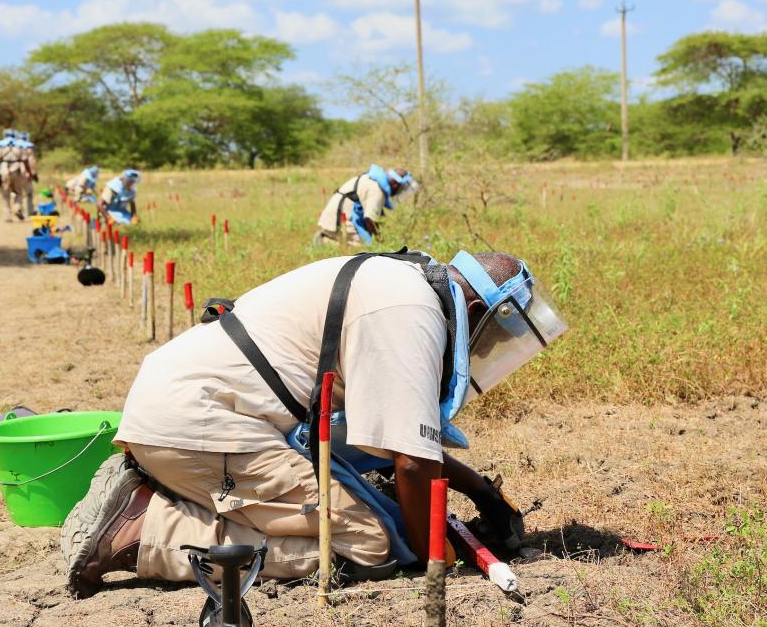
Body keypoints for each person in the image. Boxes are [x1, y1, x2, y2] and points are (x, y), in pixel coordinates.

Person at [60, 249, 568, 596]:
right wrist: (433, 556)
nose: (489, 349)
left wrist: (482, 492)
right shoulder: (412, 314)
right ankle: (147, 528)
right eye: (493, 338)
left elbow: (399, 441)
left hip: (190, 411)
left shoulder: (403, 282)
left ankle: (184, 486)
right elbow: (411, 465)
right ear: (478, 307)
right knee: (370, 543)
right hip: (198, 424)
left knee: (381, 516)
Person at [314, 165, 414, 246]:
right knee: (361, 249)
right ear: (396, 184)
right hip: (337, 221)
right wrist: (380, 242)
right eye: (401, 188)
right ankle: (324, 241)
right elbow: (370, 220)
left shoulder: (375, 180)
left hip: (339, 216)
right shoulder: (376, 190)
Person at [0, 128, 31, 222]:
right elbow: (25, 160)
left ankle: (7, 216)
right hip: (17, 171)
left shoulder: (1, 145)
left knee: (5, 194)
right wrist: (29, 172)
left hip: (4, 171)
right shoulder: (19, 145)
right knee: (18, 192)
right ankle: (18, 208)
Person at [18, 131, 39, 216]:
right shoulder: (28, 148)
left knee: (18, 193)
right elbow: (31, 163)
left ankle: (19, 210)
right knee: (29, 193)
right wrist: (34, 174)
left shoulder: (16, 147)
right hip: (26, 174)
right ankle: (30, 211)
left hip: (17, 172)